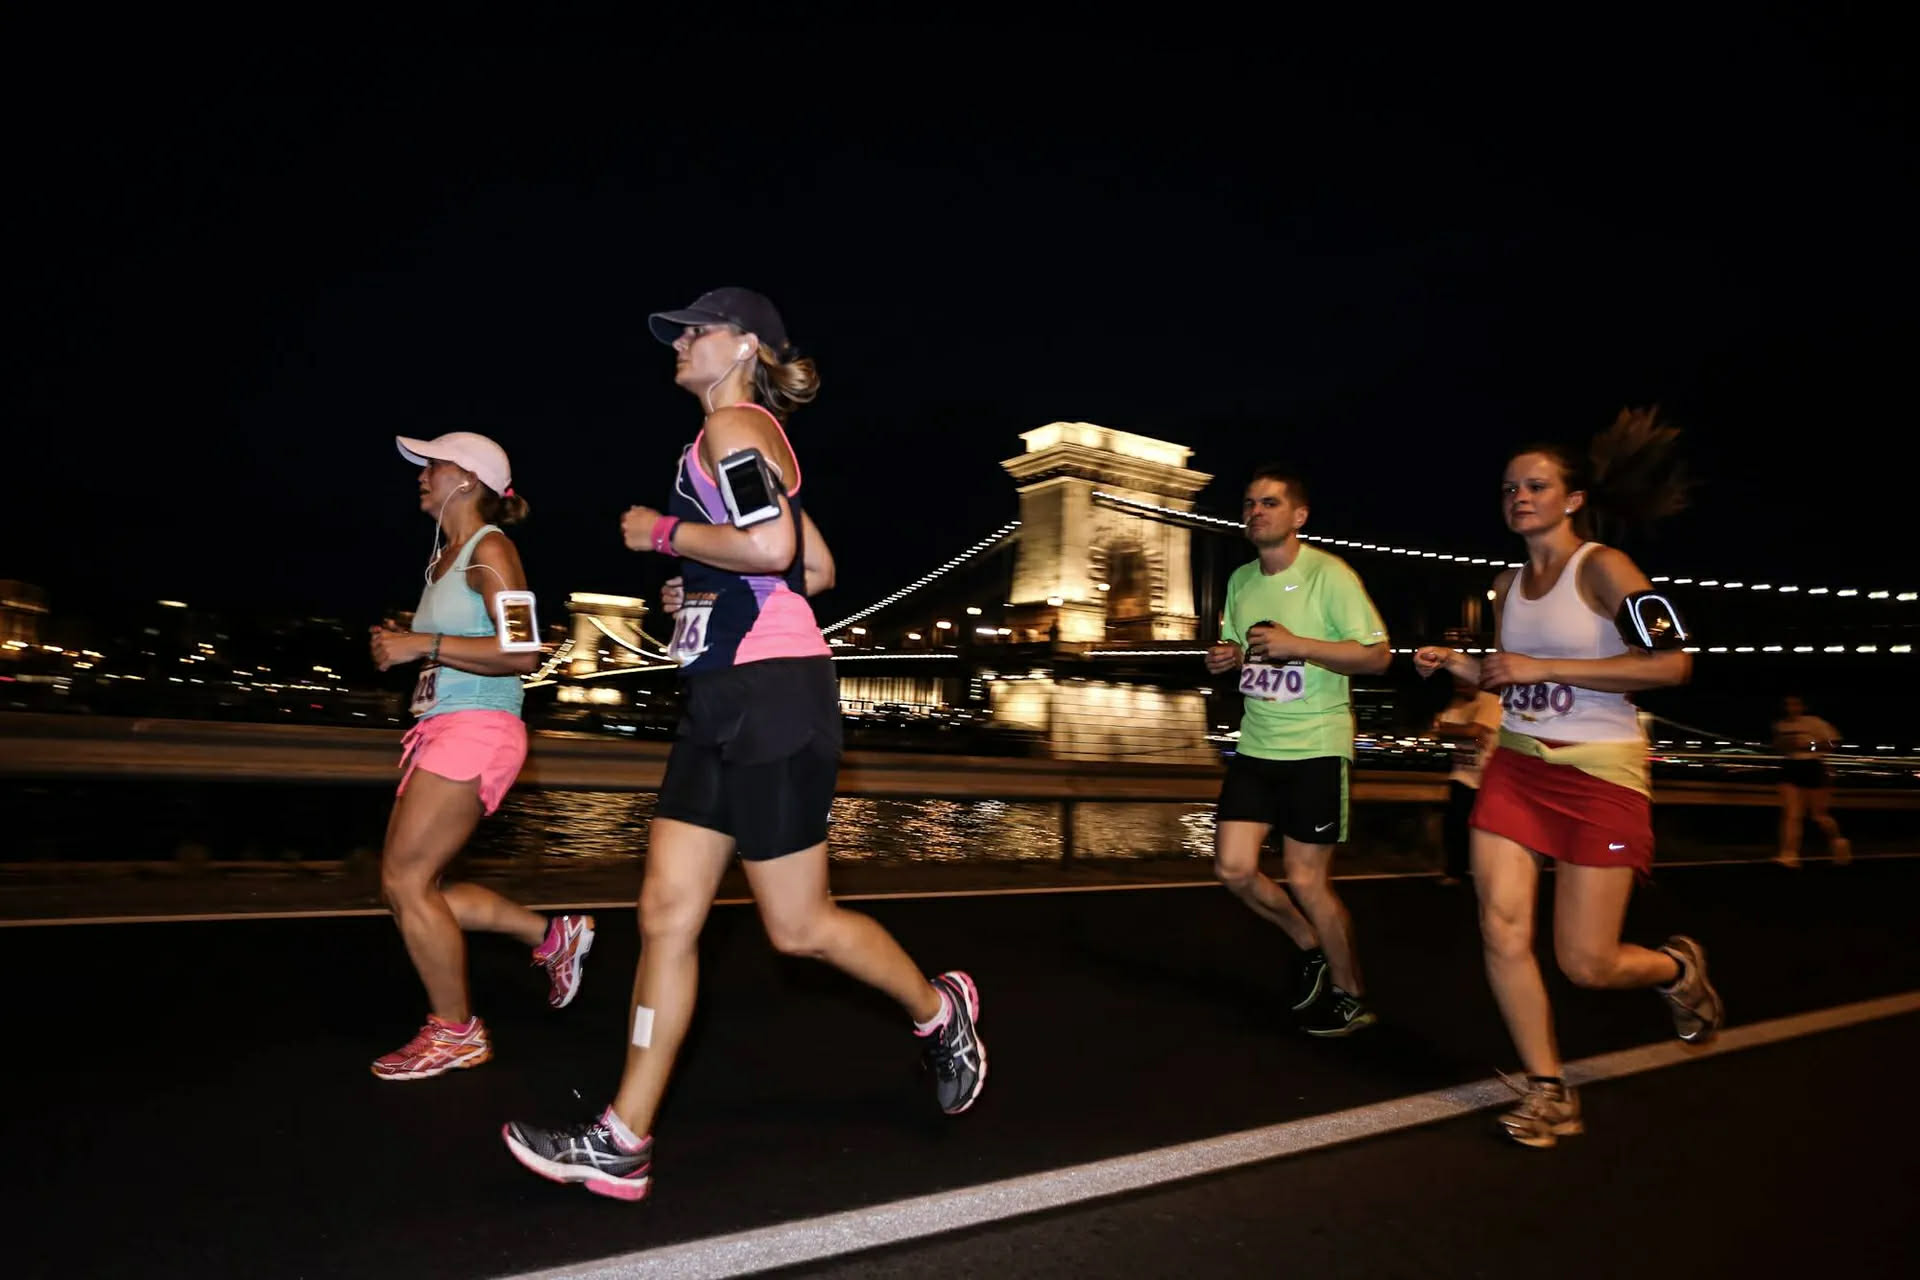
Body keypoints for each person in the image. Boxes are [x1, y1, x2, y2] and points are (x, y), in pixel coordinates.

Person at [503, 288, 984, 1202]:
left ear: (745, 346)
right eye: (677, 330)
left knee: (797, 929)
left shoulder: (734, 431)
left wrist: (664, 535)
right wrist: (702, 584)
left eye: (696, 328)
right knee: (665, 913)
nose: (679, 341)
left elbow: (771, 553)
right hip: (721, 698)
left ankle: (938, 1007)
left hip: (772, 697)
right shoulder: (735, 440)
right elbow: (818, 566)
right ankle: (623, 1137)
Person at [1414, 408, 1723, 1148]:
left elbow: (1672, 664)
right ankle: (1548, 1090)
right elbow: (1517, 680)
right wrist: (1463, 667)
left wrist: (1544, 665)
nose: (1519, 497)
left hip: (1599, 778)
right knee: (1500, 927)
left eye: (1537, 485)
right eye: (1509, 487)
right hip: (1517, 768)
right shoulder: (1505, 584)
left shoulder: (1605, 569)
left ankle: (1676, 970)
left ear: (1572, 499)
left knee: (1586, 962)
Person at [367, 432, 596, 1081]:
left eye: (432, 465)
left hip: (478, 727)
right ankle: (550, 937)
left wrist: (422, 645)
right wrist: (410, 646)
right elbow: (450, 645)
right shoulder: (444, 559)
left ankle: (456, 1031)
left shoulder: (491, 549)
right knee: (415, 888)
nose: (422, 474)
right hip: (444, 726)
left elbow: (523, 656)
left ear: (467, 480)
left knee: (405, 882)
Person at [1203, 465, 1392, 1036]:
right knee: (1233, 869)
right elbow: (1244, 646)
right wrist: (1229, 657)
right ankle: (1308, 942)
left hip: (1316, 743)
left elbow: (1378, 656)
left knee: (1307, 880)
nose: (1256, 512)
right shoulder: (1240, 581)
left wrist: (1298, 646)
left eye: (1269, 503)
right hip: (1259, 744)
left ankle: (1351, 992)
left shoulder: (1329, 576)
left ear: (1298, 516)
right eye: (1249, 503)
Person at [1429, 673, 1502, 885]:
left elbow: (1473, 731)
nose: (1461, 685)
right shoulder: (1456, 704)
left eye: (1465, 679)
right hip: (1462, 772)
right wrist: (1466, 732)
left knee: (1486, 828)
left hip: (1487, 775)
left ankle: (1487, 870)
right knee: (1455, 824)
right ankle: (1456, 870)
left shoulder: (1489, 700)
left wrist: (1464, 731)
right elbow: (1443, 731)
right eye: (1458, 681)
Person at [1771, 695, 1852, 867]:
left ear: (1803, 706)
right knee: (1791, 814)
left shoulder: (1814, 723)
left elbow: (1833, 743)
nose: (1791, 708)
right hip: (1790, 766)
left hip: (1812, 766)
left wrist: (1810, 746)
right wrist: (1783, 744)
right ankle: (1789, 854)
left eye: (1795, 704)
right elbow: (1778, 745)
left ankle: (1838, 841)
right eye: (1787, 704)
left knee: (1818, 815)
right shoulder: (1780, 725)